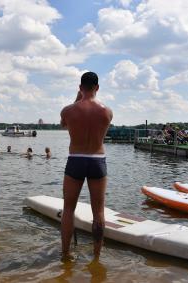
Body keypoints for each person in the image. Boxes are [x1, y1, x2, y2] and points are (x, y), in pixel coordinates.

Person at [60, 72, 113, 260]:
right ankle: (97, 257)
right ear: (97, 87)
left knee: (68, 209)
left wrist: (78, 97)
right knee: (98, 212)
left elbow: (63, 125)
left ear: (80, 87)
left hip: (76, 159)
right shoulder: (107, 111)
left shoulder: (68, 111)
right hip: (97, 160)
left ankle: (65, 254)